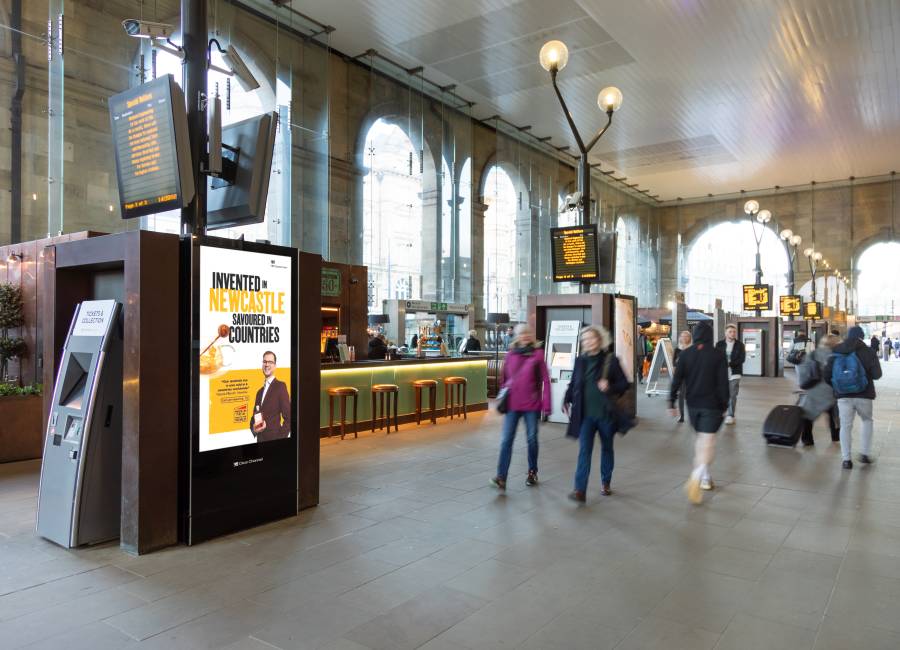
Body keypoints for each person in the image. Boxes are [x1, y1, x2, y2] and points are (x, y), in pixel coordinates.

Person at [564, 325, 630, 503]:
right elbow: (573, 383)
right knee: (584, 451)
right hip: (585, 415)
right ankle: (579, 490)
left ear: (600, 340)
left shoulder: (611, 360)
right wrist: (566, 398)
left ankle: (605, 481)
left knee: (607, 448)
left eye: (591, 338)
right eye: (584, 340)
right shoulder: (580, 360)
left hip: (605, 415)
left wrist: (610, 386)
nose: (588, 342)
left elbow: (625, 384)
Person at [668, 322, 729, 504]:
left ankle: (705, 477)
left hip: (692, 404)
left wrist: (671, 401)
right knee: (708, 441)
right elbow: (723, 382)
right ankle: (696, 476)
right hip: (712, 405)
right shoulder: (718, 354)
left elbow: (677, 379)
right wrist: (725, 404)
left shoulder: (686, 354)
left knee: (701, 440)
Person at [490, 324, 551, 490]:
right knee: (506, 441)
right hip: (512, 405)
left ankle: (532, 471)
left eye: (527, 333)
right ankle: (501, 477)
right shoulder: (510, 355)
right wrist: (501, 398)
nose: (524, 336)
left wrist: (546, 404)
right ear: (516, 336)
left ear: (531, 336)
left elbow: (546, 380)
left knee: (531, 439)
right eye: (521, 334)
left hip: (531, 404)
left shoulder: (538, 355)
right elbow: (504, 380)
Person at [825, 325, 882, 468]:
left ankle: (846, 460)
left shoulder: (836, 350)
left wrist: (837, 387)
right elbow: (877, 375)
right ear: (862, 336)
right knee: (867, 421)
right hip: (864, 394)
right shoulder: (869, 352)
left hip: (843, 396)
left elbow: (826, 375)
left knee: (845, 426)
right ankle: (864, 453)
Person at [798, 334, 840, 446]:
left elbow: (803, 371)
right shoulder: (837, 356)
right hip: (831, 391)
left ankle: (807, 439)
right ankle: (836, 437)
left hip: (814, 390)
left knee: (808, 415)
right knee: (834, 415)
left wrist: (803, 383)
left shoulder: (812, 354)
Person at [249, 351, 291, 441]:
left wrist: (280, 440)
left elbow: (289, 418)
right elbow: (253, 418)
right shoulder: (259, 392)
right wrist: (254, 429)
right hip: (260, 442)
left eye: (270, 362)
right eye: (264, 362)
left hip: (274, 442)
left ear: (275, 365)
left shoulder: (280, 386)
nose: (267, 364)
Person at [714, 324, 745, 425]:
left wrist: (729, 364)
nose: (732, 333)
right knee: (722, 394)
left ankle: (730, 415)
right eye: (730, 331)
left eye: (734, 332)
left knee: (732, 395)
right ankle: (722, 411)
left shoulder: (740, 345)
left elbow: (742, 359)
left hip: (735, 373)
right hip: (721, 374)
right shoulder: (719, 344)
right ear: (726, 333)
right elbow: (715, 358)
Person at [673, 330, 692, 423]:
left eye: (686, 336)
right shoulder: (677, 350)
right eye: (682, 336)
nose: (684, 338)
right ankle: (682, 416)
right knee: (681, 395)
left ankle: (693, 414)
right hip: (681, 376)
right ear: (680, 338)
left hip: (691, 376)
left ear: (690, 338)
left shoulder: (693, 349)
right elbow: (674, 363)